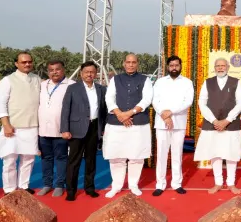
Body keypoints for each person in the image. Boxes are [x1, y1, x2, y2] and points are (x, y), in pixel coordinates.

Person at [103, 53, 154, 197]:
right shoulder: (115, 79)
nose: (131, 65)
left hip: (137, 123)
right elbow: (109, 97)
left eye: (133, 62)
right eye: (128, 62)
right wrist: (120, 114)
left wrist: (129, 113)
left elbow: (146, 100)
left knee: (136, 156)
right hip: (116, 122)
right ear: (124, 63)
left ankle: (133, 185)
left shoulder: (146, 80)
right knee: (116, 156)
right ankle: (116, 186)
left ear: (137, 64)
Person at [194, 58, 241, 194]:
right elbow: (202, 103)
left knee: (231, 153)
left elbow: (240, 103)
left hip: (231, 124)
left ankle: (231, 183)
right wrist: (214, 120)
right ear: (214, 67)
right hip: (212, 124)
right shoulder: (207, 82)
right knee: (215, 153)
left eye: (223, 65)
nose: (220, 68)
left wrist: (227, 120)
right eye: (218, 66)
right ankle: (218, 182)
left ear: (228, 67)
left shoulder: (236, 82)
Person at [0, 51, 41, 194]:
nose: (27, 64)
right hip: (13, 126)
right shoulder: (7, 80)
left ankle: (24, 185)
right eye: (23, 62)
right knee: (9, 160)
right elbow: (1, 104)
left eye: (29, 62)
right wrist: (6, 124)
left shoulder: (37, 79)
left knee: (28, 159)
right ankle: (9, 189)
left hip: (32, 125)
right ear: (16, 64)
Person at [61, 61, 107, 201]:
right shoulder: (72, 89)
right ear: (81, 73)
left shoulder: (101, 89)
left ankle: (90, 188)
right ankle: (70, 190)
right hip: (76, 130)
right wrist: (65, 129)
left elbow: (103, 110)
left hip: (94, 128)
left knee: (91, 160)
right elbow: (65, 110)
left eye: (92, 72)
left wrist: (103, 128)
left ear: (96, 73)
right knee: (73, 161)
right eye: (86, 72)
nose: (89, 74)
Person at [152, 55, 194, 196]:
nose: (174, 68)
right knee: (162, 154)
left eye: (176, 65)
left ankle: (177, 183)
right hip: (162, 122)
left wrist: (171, 112)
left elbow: (187, 101)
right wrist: (164, 114)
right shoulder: (160, 82)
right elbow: (155, 100)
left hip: (179, 123)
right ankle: (160, 184)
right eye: (171, 65)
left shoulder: (187, 82)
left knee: (177, 154)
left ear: (180, 66)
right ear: (167, 67)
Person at [37, 60, 74, 197]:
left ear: (63, 70)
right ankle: (47, 184)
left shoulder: (71, 85)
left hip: (61, 130)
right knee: (46, 158)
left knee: (61, 158)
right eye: (51, 70)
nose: (54, 72)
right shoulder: (42, 85)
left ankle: (59, 184)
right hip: (43, 129)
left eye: (57, 69)